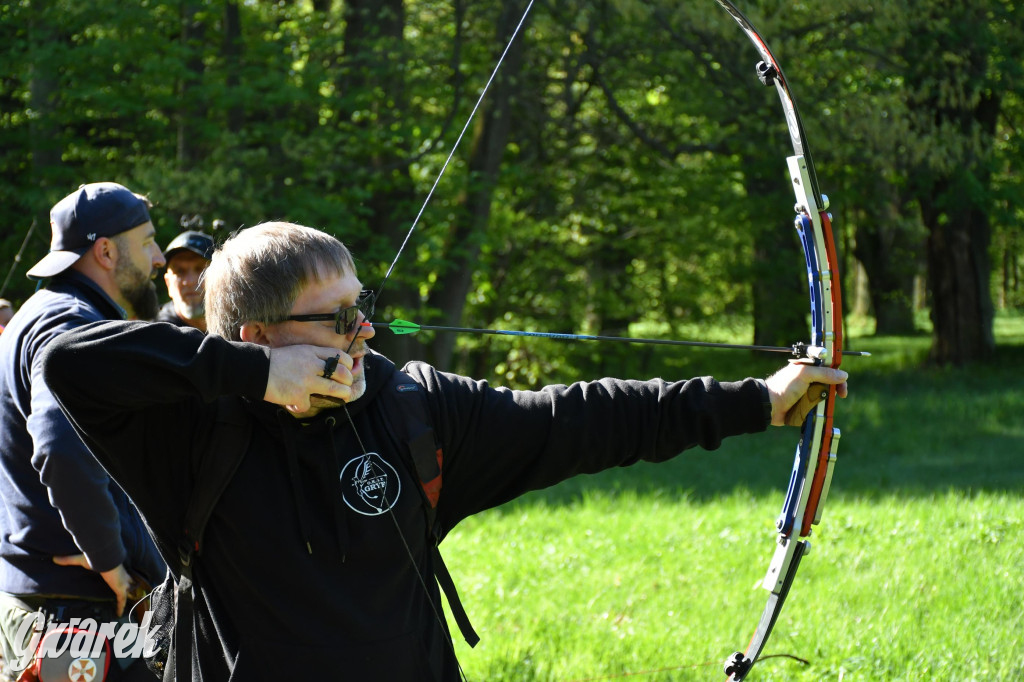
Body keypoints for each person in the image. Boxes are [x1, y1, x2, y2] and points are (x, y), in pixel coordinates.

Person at [41, 221, 848, 681]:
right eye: (335, 319)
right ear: (258, 336)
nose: (362, 332)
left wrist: (758, 402)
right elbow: (67, 364)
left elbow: (581, 418)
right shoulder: (192, 430)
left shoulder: (410, 405)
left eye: (361, 309)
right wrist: (256, 377)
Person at [0, 183, 168, 681]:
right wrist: (110, 559)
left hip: (51, 603)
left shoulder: (39, 313)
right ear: (106, 251)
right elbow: (59, 447)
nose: (159, 257)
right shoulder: (71, 325)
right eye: (149, 242)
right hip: (75, 614)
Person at [157, 231, 214, 332]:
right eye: (180, 271)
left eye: (200, 269)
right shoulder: (154, 336)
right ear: (168, 283)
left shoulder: (242, 326)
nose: (189, 281)